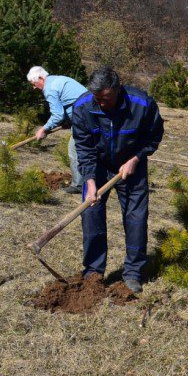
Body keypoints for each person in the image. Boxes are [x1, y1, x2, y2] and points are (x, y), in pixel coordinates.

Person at [71, 67, 164, 294]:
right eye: (97, 99)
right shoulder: (83, 107)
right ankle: (93, 271)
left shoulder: (142, 104)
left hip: (132, 165)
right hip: (99, 166)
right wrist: (90, 180)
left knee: (136, 219)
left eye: (106, 99)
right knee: (91, 214)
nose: (101, 103)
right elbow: (84, 148)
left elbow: (153, 136)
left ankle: (132, 272)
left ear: (117, 89)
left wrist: (137, 158)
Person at [27, 66, 88, 194]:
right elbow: (70, 101)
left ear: (40, 78)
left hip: (83, 118)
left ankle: (78, 185)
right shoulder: (58, 79)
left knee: (74, 150)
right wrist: (68, 121)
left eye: (33, 83)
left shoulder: (49, 88)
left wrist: (44, 129)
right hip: (88, 115)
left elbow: (57, 115)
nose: (34, 87)